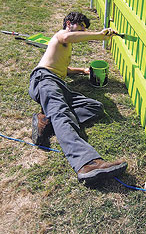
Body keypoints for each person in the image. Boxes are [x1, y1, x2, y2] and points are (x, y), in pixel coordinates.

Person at [29, 12, 128, 185]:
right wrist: (98, 35)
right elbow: (68, 36)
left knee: (95, 107)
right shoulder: (61, 35)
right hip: (45, 81)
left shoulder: (64, 46)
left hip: (60, 85)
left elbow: (64, 69)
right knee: (62, 115)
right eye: (81, 25)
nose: (83, 29)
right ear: (69, 23)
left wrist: (81, 71)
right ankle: (86, 163)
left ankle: (45, 120)